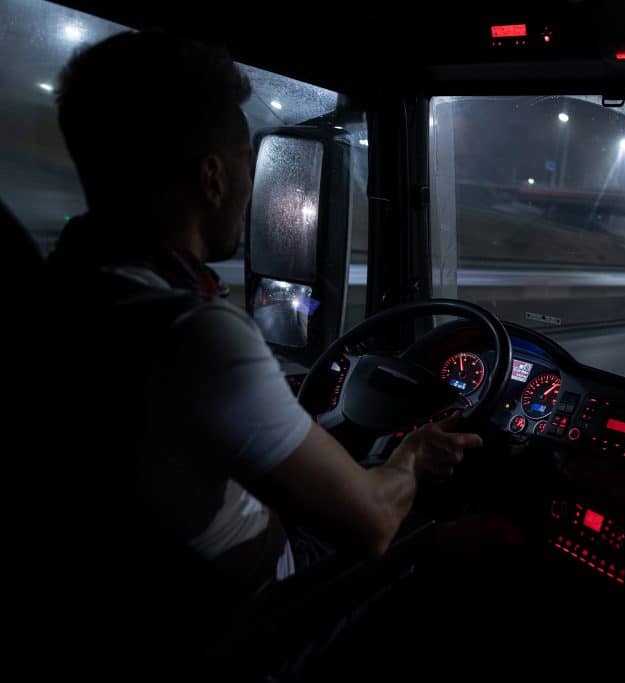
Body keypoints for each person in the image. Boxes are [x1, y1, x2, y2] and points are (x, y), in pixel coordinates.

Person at [46, 29, 482, 602]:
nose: (252, 188)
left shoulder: (65, 288)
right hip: (254, 617)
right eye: (247, 164)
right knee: (455, 549)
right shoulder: (192, 333)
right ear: (213, 178)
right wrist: (412, 458)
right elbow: (373, 524)